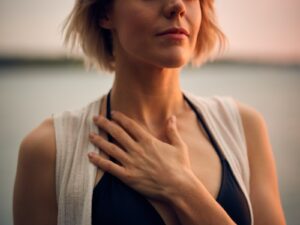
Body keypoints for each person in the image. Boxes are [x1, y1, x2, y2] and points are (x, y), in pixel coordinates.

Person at [13, 0, 287, 225]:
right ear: (105, 13)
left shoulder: (244, 127)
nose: (177, 6)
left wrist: (182, 188)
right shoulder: (49, 150)